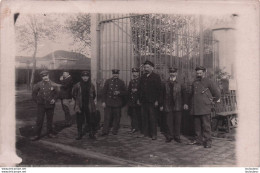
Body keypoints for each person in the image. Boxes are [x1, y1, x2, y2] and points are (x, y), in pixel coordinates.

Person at [187, 66, 221, 148]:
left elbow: (217, 93)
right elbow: (191, 94)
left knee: (206, 126)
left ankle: (208, 142)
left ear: (204, 72)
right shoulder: (195, 82)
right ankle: (198, 140)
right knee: (197, 125)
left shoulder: (209, 81)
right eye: (197, 73)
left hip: (205, 107)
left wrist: (211, 101)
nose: (198, 74)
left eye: (200, 73)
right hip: (196, 107)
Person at [160, 67, 188, 143]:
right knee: (168, 122)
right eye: (171, 72)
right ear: (169, 73)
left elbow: (184, 94)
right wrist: (161, 105)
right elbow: (162, 94)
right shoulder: (165, 82)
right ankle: (169, 136)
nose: (172, 73)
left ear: (176, 73)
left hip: (178, 105)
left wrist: (185, 103)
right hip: (168, 105)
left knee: (178, 122)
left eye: (173, 72)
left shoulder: (181, 82)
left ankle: (177, 136)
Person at [31, 70, 58, 141]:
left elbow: (57, 94)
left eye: (46, 76)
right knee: (39, 120)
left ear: (48, 75)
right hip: (41, 105)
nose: (45, 77)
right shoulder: (38, 84)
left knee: (50, 120)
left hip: (50, 105)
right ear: (41, 77)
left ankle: (49, 133)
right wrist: (37, 101)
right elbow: (34, 94)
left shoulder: (53, 84)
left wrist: (54, 99)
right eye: (43, 76)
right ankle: (36, 135)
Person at [139, 60, 161, 140]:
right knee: (144, 117)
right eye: (145, 67)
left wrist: (157, 100)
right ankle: (145, 133)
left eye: (148, 67)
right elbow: (139, 89)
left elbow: (159, 90)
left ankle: (153, 134)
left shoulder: (156, 77)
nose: (146, 69)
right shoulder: (142, 77)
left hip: (152, 101)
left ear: (152, 68)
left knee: (152, 118)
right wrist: (139, 99)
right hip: (144, 101)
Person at [101, 69, 127, 136]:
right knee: (107, 117)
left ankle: (115, 130)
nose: (115, 75)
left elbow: (125, 92)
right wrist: (103, 101)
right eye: (114, 74)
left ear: (118, 74)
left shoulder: (121, 82)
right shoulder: (108, 81)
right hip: (108, 102)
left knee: (117, 117)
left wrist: (119, 92)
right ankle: (105, 131)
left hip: (117, 103)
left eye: (117, 74)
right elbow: (104, 92)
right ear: (112, 74)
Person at [72, 71, 97, 140]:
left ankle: (91, 133)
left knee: (90, 120)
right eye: (83, 76)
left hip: (89, 106)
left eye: (87, 76)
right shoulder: (77, 85)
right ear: (81, 77)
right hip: (80, 106)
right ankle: (79, 134)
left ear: (88, 77)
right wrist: (78, 101)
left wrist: (90, 102)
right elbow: (74, 94)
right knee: (79, 120)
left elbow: (94, 95)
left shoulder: (91, 85)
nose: (85, 78)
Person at [127, 67, 142, 136]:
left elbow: (143, 91)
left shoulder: (141, 81)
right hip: (132, 101)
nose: (134, 74)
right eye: (133, 72)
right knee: (133, 115)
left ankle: (139, 129)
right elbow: (129, 91)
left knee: (139, 115)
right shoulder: (131, 81)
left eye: (136, 72)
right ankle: (134, 128)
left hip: (138, 101)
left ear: (138, 73)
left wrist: (137, 91)